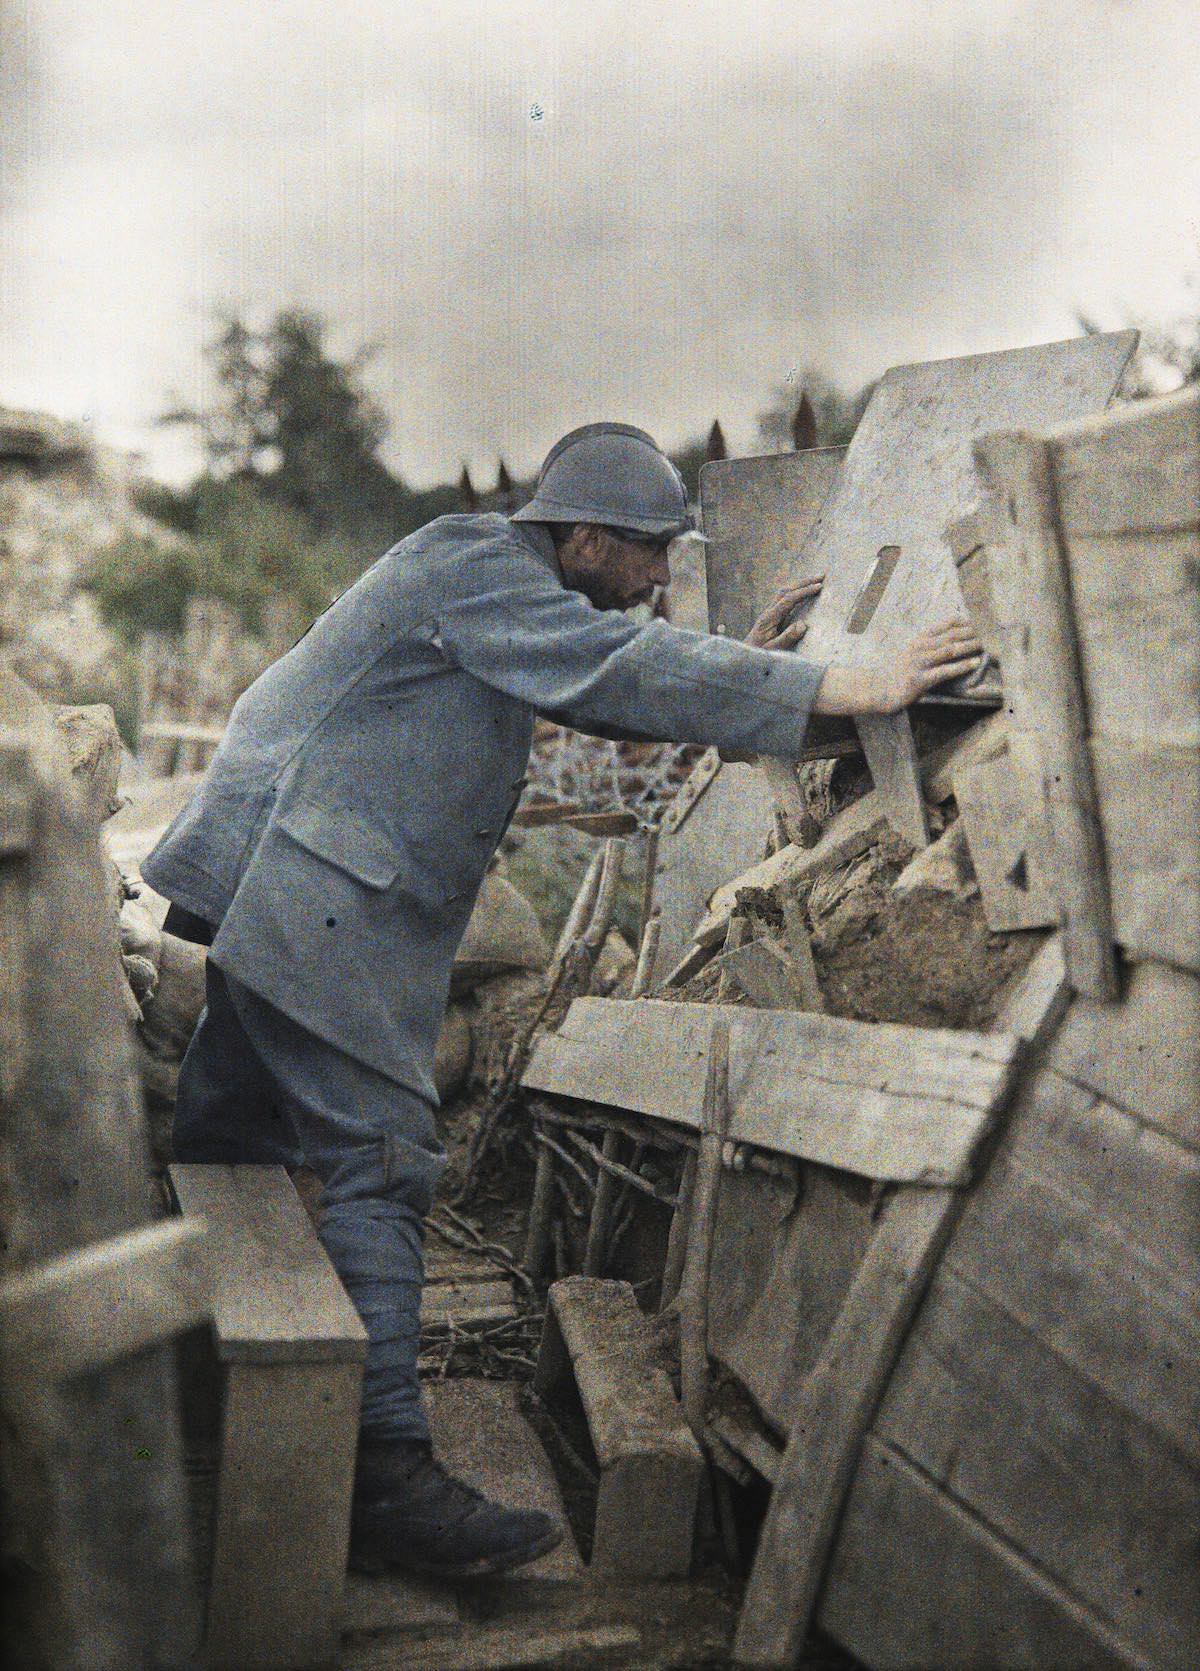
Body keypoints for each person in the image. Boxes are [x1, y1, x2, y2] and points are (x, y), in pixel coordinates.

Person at [143, 423, 981, 1578]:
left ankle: (188, 1390)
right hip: (322, 883)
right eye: (643, 554)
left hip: (289, 870)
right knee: (380, 1157)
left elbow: (607, 693)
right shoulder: (475, 564)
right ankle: (382, 1482)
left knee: (229, 1133)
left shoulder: (493, 586)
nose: (654, 578)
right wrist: (847, 681)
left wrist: (753, 667)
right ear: (579, 536)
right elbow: (618, 671)